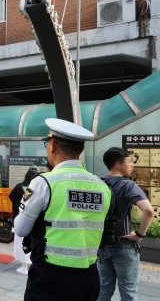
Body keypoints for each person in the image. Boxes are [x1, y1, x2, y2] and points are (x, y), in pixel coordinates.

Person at [14, 118, 112, 301]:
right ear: (81, 150)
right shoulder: (102, 187)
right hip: (89, 277)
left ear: (53, 145)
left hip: (50, 278)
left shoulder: (44, 183)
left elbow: (21, 229)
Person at [97, 147, 154, 301]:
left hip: (102, 246)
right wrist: (139, 235)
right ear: (117, 164)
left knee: (103, 289)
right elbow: (148, 211)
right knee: (128, 292)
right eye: (129, 162)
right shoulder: (128, 185)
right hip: (124, 245)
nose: (132, 166)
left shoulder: (98, 183)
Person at [9, 167, 38, 275]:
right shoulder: (32, 189)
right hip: (31, 219)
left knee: (20, 243)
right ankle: (27, 264)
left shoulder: (19, 187)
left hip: (19, 218)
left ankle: (24, 267)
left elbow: (11, 197)